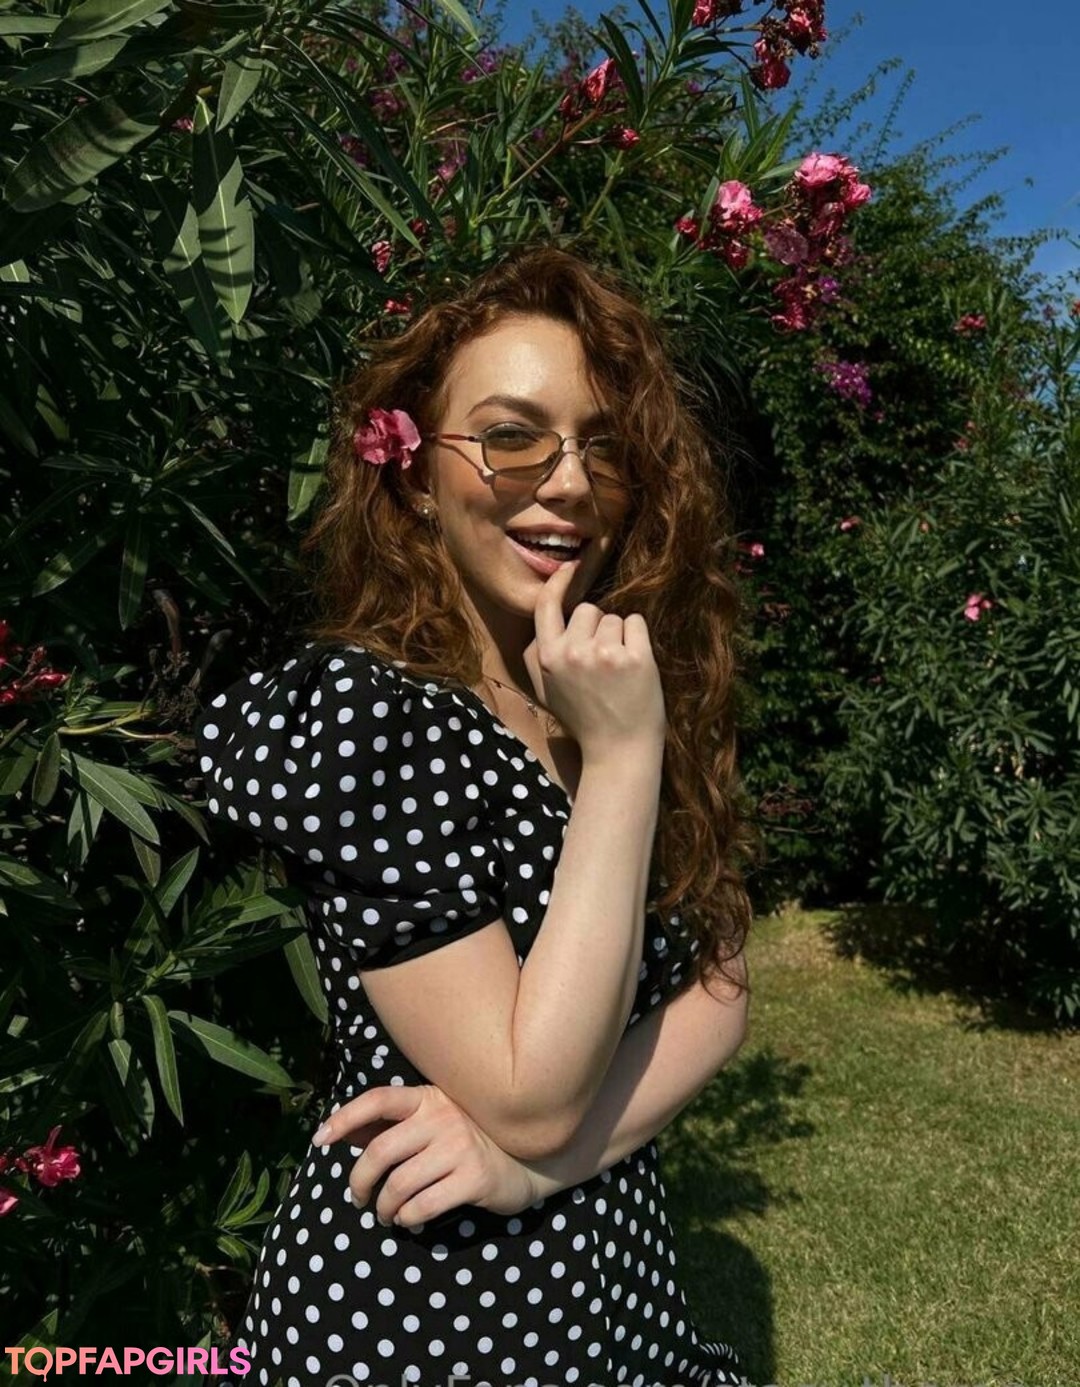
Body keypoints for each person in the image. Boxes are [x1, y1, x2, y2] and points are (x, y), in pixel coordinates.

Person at [194, 244, 756, 1387]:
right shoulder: (370, 715)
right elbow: (530, 1090)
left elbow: (720, 982)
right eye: (511, 437)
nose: (569, 482)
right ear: (413, 473)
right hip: (426, 1311)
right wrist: (627, 755)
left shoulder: (594, 684)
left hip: (613, 1285)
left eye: (603, 444)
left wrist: (546, 1170)